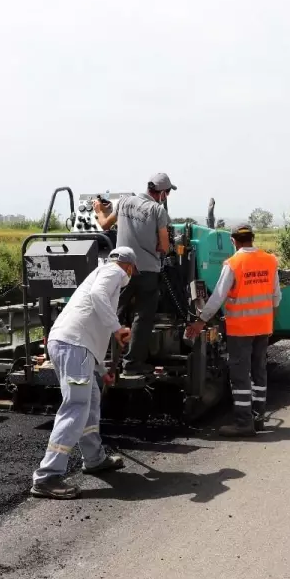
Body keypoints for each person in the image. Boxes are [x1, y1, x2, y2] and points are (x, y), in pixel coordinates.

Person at [30, 247, 138, 500]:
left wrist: (101, 369)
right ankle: (47, 476)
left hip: (74, 347)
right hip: (73, 347)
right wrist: (117, 329)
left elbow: (90, 328)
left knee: (89, 402)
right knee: (76, 406)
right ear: (129, 267)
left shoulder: (101, 272)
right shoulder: (113, 271)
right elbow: (98, 295)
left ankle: (94, 459)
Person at [185, 225, 281, 437]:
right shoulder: (269, 260)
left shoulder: (233, 264)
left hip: (240, 328)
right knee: (259, 373)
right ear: (252, 239)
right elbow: (276, 297)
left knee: (240, 375)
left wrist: (201, 320)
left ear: (234, 241)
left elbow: (218, 297)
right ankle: (258, 418)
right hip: (263, 327)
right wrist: (270, 323)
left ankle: (243, 423)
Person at [94, 172, 175, 381]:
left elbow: (104, 225)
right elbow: (165, 246)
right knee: (143, 317)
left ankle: (100, 357)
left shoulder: (124, 202)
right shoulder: (157, 210)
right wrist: (159, 246)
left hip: (121, 269)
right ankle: (132, 365)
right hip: (147, 271)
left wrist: (98, 210)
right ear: (163, 193)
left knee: (114, 311)